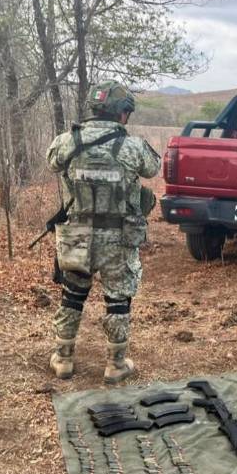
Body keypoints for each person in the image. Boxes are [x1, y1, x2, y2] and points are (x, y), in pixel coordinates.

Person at [46, 80, 160, 384]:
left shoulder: (68, 141)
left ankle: (63, 359)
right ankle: (115, 364)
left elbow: (52, 162)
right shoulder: (132, 146)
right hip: (117, 236)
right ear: (122, 113)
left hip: (77, 233)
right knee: (118, 299)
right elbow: (152, 168)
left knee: (72, 294)